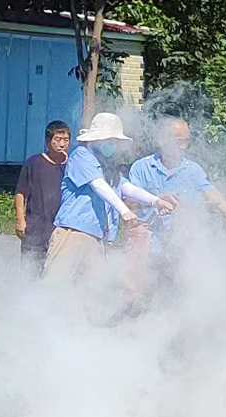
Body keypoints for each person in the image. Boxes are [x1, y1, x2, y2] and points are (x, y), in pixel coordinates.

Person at [46, 112, 172, 287]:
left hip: (97, 237)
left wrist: (156, 201)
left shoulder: (107, 164)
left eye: (114, 141)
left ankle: (82, 315)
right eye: (109, 140)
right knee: (56, 285)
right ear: (97, 139)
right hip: (73, 232)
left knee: (93, 292)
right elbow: (97, 185)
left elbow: (126, 188)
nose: (112, 145)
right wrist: (124, 211)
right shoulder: (81, 156)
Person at [128, 115, 226, 260]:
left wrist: (224, 206)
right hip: (149, 249)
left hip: (184, 251)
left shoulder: (193, 170)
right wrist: (157, 200)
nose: (183, 147)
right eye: (178, 141)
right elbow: (129, 204)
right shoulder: (141, 168)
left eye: (186, 142)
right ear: (162, 140)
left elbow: (209, 190)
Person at [15, 121, 71, 274]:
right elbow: (20, 192)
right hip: (36, 227)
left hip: (61, 228)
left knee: (55, 272)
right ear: (48, 141)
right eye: (58, 139)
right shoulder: (34, 163)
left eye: (66, 140)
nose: (62, 144)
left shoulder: (72, 165)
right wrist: (20, 219)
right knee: (30, 270)